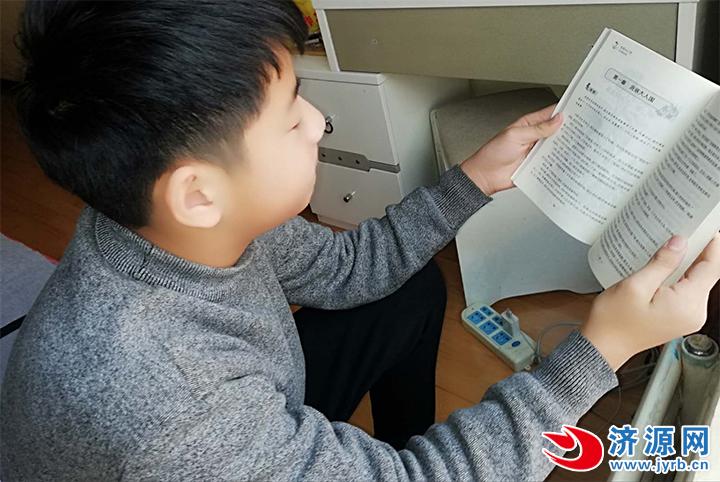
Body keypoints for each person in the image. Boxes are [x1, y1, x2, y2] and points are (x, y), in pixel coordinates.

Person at [2, 1, 718, 480]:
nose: (318, 123)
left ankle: (399, 454)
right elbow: (190, 423)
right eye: (291, 117)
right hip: (201, 441)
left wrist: (473, 178)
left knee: (411, 287)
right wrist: (601, 350)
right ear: (197, 192)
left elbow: (353, 267)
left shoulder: (178, 222)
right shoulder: (167, 407)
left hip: (254, 406)